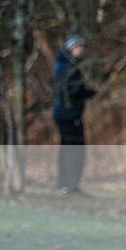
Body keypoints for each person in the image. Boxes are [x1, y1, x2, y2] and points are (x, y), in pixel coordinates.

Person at [52, 34, 96, 195]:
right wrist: (88, 92)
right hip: (69, 116)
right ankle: (69, 186)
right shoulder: (70, 67)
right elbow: (74, 91)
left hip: (63, 115)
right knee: (75, 151)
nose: (82, 49)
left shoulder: (62, 64)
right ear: (71, 48)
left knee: (66, 151)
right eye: (79, 46)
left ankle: (64, 185)